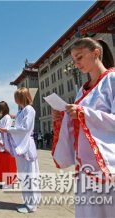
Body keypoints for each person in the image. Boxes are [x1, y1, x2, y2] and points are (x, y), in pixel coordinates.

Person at [51, 37, 115, 218]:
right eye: (74, 60)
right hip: (85, 164)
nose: (76, 64)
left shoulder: (112, 80)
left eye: (79, 57)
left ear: (96, 53)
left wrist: (83, 113)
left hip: (107, 164)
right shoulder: (82, 90)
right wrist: (63, 117)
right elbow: (78, 121)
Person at [0, 87, 41, 213]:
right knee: (24, 175)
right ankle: (29, 202)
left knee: (29, 175)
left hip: (26, 145)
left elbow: (25, 128)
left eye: (16, 97)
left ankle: (31, 204)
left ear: (21, 98)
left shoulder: (29, 110)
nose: (15, 99)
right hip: (22, 144)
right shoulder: (22, 110)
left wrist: (8, 130)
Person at [0, 101, 17, 185]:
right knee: (4, 164)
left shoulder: (7, 117)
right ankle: (6, 182)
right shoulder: (4, 118)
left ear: (3, 109)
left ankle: (9, 182)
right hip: (1, 142)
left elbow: (6, 130)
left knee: (8, 163)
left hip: (5, 143)